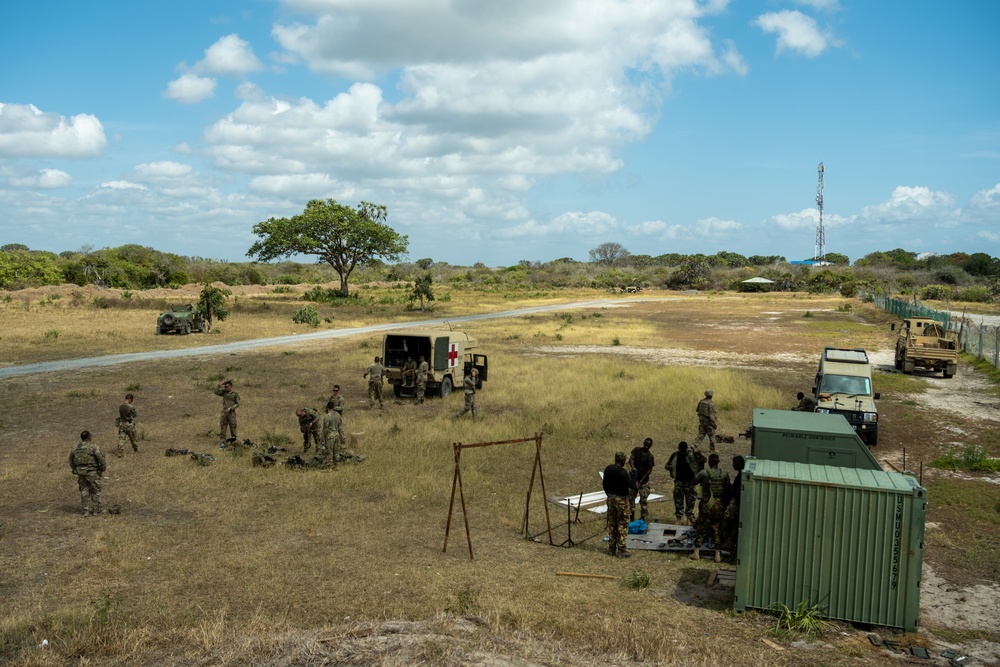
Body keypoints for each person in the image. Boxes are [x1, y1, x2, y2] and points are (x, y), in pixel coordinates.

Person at [691, 453, 731, 563]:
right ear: (718, 462)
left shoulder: (704, 473)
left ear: (709, 462)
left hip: (707, 504)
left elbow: (693, 482)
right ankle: (717, 555)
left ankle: (696, 552)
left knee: (702, 527)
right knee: (716, 528)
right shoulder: (724, 474)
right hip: (719, 504)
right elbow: (728, 489)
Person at [602, 451, 637, 558]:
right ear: (622, 461)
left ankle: (612, 548)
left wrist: (609, 494)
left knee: (612, 524)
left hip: (611, 498)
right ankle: (622, 550)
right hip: (622, 500)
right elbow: (632, 485)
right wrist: (634, 472)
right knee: (622, 524)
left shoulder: (608, 469)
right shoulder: (623, 472)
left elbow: (604, 483)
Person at [69, 430, 107, 516]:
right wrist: (102, 469)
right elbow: (100, 458)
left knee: (84, 491)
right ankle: (96, 510)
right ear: (89, 437)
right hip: (92, 472)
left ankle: (86, 510)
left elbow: (71, 460)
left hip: (81, 473)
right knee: (96, 490)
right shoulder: (93, 447)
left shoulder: (75, 448)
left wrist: (75, 469)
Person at [665, 441, 702, 525]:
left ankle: (689, 518)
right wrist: (669, 468)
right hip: (679, 482)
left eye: (684, 450)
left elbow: (703, 460)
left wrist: (697, 453)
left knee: (691, 501)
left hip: (690, 482)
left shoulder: (692, 455)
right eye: (681, 450)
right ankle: (679, 518)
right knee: (678, 501)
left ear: (686, 449)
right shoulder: (675, 455)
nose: (682, 452)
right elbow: (666, 465)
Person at [720, 455, 745, 557]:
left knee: (726, 520)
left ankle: (726, 542)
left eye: (734, 463)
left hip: (736, 503)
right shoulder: (742, 474)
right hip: (739, 503)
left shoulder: (741, 476)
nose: (733, 465)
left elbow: (738, 491)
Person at [628, 437, 655, 522]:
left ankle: (642, 519)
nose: (646, 446)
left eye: (648, 445)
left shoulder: (650, 457)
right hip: (634, 479)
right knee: (631, 499)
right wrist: (633, 468)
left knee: (643, 501)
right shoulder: (637, 450)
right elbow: (630, 459)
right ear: (643, 443)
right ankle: (631, 518)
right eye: (645, 444)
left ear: (651, 446)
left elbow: (649, 471)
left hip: (644, 482)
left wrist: (641, 481)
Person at [214, 379, 240, 444]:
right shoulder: (224, 392)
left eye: (227, 386)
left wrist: (231, 408)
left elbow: (237, 403)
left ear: (231, 386)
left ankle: (234, 440)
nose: (225, 388)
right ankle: (223, 440)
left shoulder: (235, 394)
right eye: (225, 386)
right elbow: (215, 391)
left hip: (231, 412)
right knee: (223, 425)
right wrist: (220, 384)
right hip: (224, 411)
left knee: (233, 425)